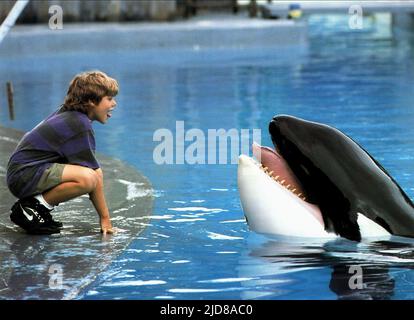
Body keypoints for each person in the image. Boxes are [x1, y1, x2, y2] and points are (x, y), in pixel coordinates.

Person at [6, 70, 118, 235]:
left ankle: (38, 207)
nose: (114, 103)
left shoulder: (70, 114)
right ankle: (33, 208)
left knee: (90, 175)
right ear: (91, 102)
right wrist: (105, 219)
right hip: (23, 175)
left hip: (22, 172)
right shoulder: (78, 124)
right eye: (109, 99)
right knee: (88, 178)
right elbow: (95, 174)